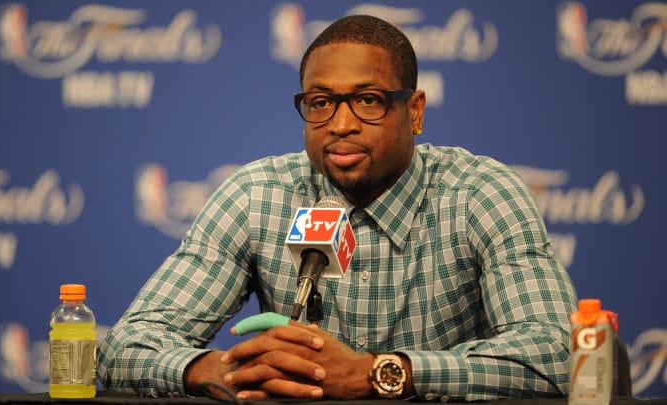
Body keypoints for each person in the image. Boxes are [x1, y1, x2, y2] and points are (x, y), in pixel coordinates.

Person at [98, 14, 578, 401]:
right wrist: (219, 370)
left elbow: (556, 352)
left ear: (414, 111)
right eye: (321, 102)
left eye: (368, 100)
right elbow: (125, 345)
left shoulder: (480, 193)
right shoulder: (256, 195)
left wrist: (379, 373)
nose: (341, 124)